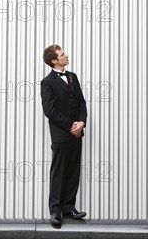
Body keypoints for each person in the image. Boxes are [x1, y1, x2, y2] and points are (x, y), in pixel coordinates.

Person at [41, 45, 88, 226]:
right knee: (59, 171)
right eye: (62, 54)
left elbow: (82, 102)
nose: (66, 55)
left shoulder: (72, 77)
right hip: (61, 134)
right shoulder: (47, 82)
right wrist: (71, 126)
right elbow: (50, 110)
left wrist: (81, 122)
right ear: (54, 60)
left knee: (73, 170)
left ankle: (69, 207)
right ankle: (55, 210)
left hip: (77, 132)